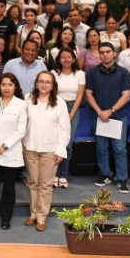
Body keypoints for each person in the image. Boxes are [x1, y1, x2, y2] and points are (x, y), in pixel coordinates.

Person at [23, 71, 70, 232]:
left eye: (47, 82)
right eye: (41, 81)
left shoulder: (60, 103)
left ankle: (42, 216)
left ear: (53, 85)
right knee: (33, 182)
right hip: (30, 147)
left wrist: (61, 149)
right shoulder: (28, 99)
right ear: (36, 83)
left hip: (50, 149)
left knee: (45, 184)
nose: (44, 84)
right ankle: (33, 213)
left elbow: (65, 129)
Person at [84, 42, 130, 193]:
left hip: (117, 117)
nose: (105, 54)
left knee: (119, 149)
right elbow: (88, 94)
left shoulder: (124, 73)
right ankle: (105, 174)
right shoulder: (92, 73)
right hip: (98, 117)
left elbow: (126, 96)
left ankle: (122, 178)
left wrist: (110, 111)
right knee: (101, 148)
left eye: (108, 52)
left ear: (114, 53)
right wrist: (100, 111)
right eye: (102, 52)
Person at [0, 73, 27, 230]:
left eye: (10, 84)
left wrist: (4, 146)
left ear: (15, 86)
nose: (6, 88)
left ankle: (6, 218)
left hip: (11, 151)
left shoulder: (21, 104)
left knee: (9, 186)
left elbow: (21, 130)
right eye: (3, 85)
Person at [52, 48, 85, 188]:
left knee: (67, 144)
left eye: (69, 57)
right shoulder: (53, 74)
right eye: (63, 57)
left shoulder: (80, 74)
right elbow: (51, 93)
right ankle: (53, 174)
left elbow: (80, 96)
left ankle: (63, 175)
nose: (66, 59)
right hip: (56, 106)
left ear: (73, 59)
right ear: (58, 60)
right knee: (54, 142)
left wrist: (71, 114)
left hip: (73, 108)